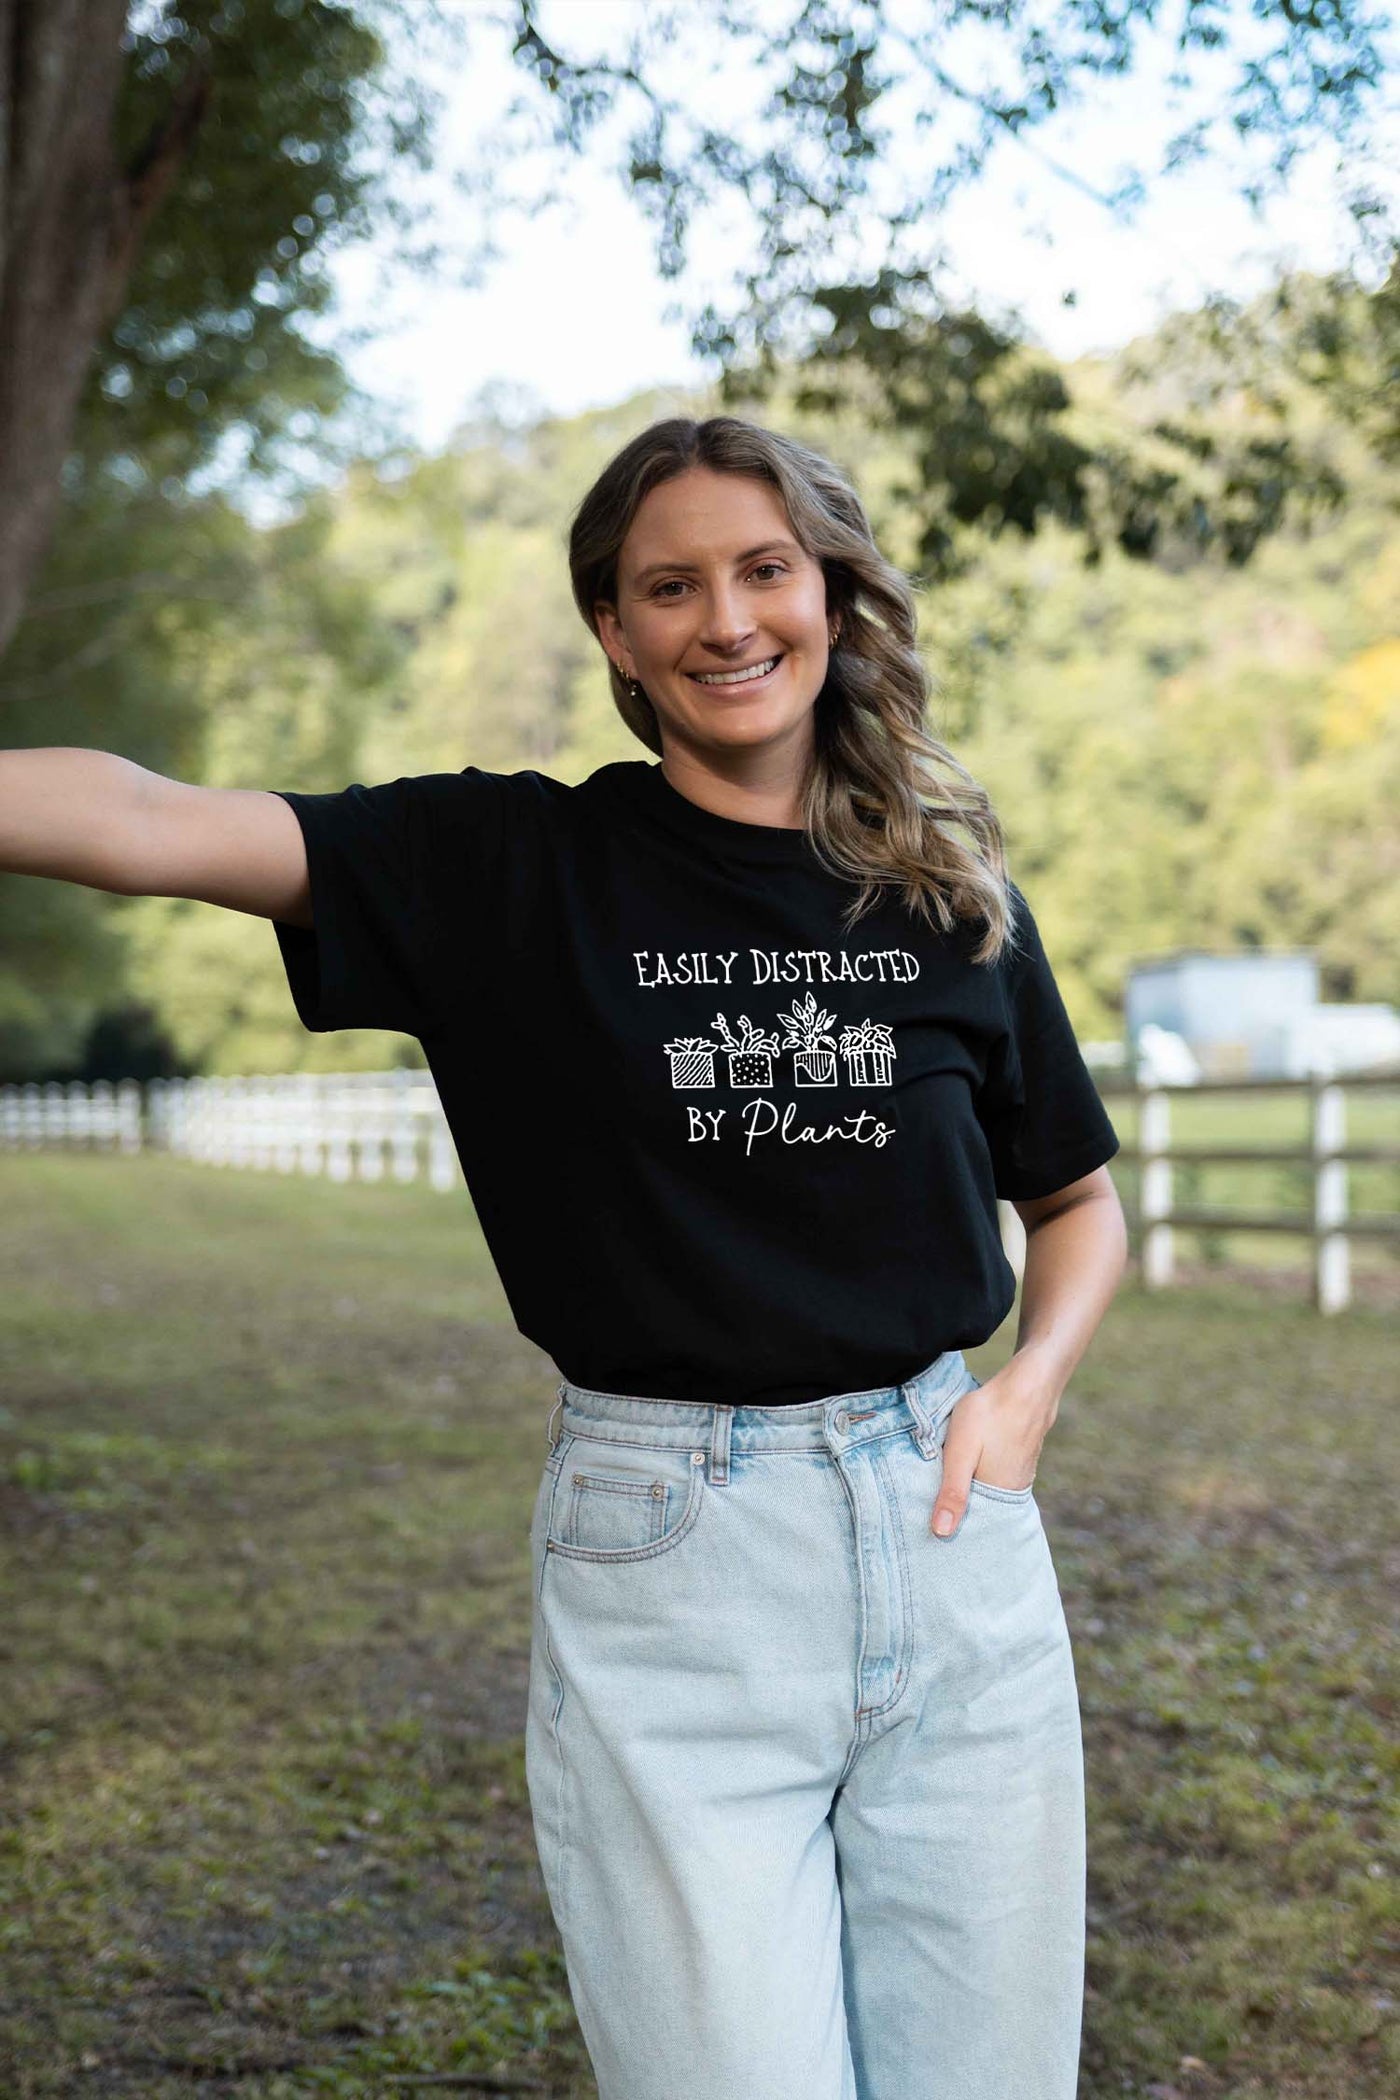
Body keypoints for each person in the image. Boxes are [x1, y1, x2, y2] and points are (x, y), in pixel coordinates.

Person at [0, 413, 1128, 2099]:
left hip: (951, 1526)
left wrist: (1030, 1385)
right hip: (674, 1549)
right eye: (669, 587)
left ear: (830, 591)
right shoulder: (511, 869)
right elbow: (159, 817)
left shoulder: (948, 893)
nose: (727, 620)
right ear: (613, 631)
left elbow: (1079, 1201)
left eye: (764, 571)